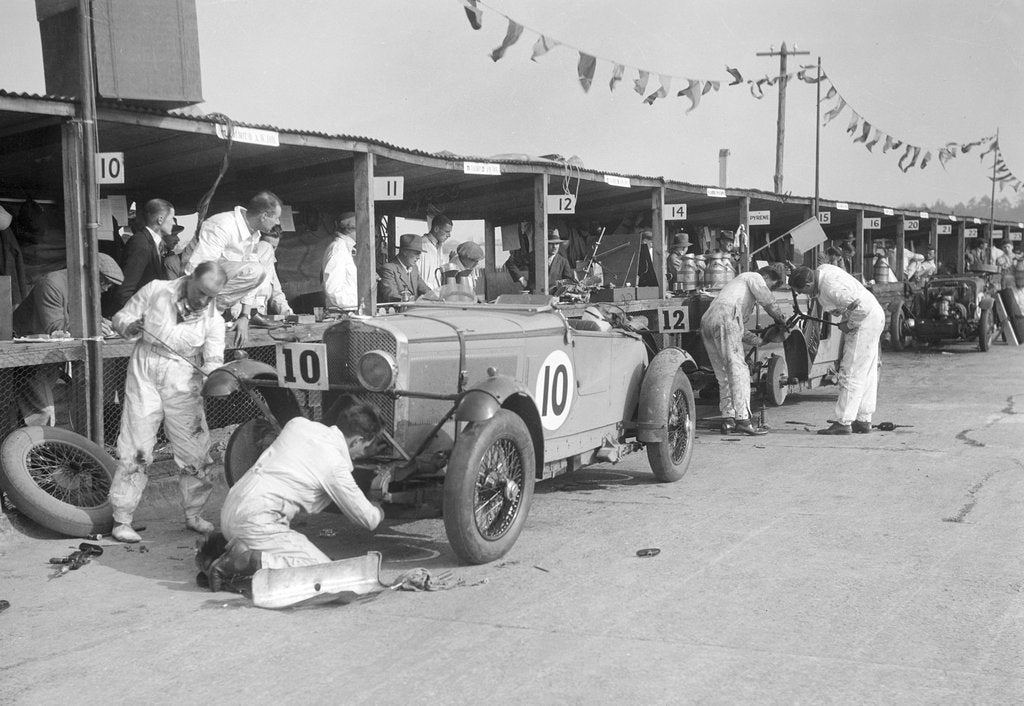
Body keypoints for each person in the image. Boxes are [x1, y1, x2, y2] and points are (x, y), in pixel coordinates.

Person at [200, 395, 385, 591]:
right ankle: (242, 562)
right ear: (357, 440)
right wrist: (378, 507)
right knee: (327, 573)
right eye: (365, 448)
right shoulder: (334, 464)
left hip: (231, 507)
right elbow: (369, 519)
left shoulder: (298, 425)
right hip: (257, 520)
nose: (362, 454)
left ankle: (222, 550)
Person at [107, 262, 228, 543]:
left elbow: (213, 359)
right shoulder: (156, 290)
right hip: (145, 368)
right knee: (136, 446)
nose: (203, 301)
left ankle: (194, 514)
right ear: (189, 279)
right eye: (200, 292)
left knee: (195, 450)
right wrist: (130, 325)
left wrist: (215, 374)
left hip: (183, 377)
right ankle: (121, 519)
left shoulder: (214, 319)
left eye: (211, 296)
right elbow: (121, 316)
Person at [12, 254, 123, 426]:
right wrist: (94, 326)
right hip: (27, 357)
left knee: (50, 407)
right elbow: (55, 326)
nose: (107, 288)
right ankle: (37, 447)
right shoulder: (52, 284)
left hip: (50, 358)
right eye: (105, 282)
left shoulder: (84, 288)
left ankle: (45, 445)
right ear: (92, 275)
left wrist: (105, 322)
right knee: (42, 410)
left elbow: (88, 314)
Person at [789, 264, 885, 435]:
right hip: (874, 316)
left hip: (865, 320)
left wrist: (849, 324)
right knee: (866, 372)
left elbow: (861, 308)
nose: (803, 295)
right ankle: (863, 420)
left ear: (809, 285)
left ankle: (844, 422)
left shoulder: (830, 286)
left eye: (802, 291)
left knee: (851, 371)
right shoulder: (822, 272)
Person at [699, 267, 788, 436]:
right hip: (725, 318)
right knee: (739, 371)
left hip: (708, 321)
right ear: (766, 276)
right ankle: (743, 420)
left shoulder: (736, 292)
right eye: (771, 286)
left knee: (723, 375)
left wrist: (760, 341)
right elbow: (768, 301)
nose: (770, 290)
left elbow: (737, 329)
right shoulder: (753, 276)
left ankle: (728, 419)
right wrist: (781, 320)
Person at [184, 191, 279, 346]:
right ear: (264, 216)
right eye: (276, 217)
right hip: (194, 297)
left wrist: (245, 316)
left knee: (257, 271)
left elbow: (253, 279)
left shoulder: (253, 234)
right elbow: (196, 269)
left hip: (214, 303)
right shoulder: (222, 224)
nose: (277, 222)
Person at [109, 199, 182, 312]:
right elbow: (124, 291)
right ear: (160, 219)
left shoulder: (151, 243)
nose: (173, 223)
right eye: (171, 218)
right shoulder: (141, 244)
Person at [250, 226, 293, 323]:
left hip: (260, 319)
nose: (270, 251)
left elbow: (277, 295)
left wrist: (289, 314)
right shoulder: (247, 264)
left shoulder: (270, 266)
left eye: (274, 247)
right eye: (267, 246)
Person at [377, 234, 432, 303]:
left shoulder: (414, 268)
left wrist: (434, 296)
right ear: (405, 252)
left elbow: (424, 288)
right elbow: (391, 295)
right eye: (416, 253)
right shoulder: (389, 269)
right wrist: (417, 300)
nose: (418, 257)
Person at [322, 212, 358, 311]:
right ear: (351, 229)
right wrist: (354, 306)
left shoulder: (346, 249)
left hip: (350, 310)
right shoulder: (338, 249)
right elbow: (333, 290)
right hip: (344, 312)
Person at [417, 214, 452, 290]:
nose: (449, 235)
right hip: (423, 294)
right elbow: (415, 275)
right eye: (446, 232)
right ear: (436, 229)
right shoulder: (421, 244)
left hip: (436, 293)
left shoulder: (439, 246)